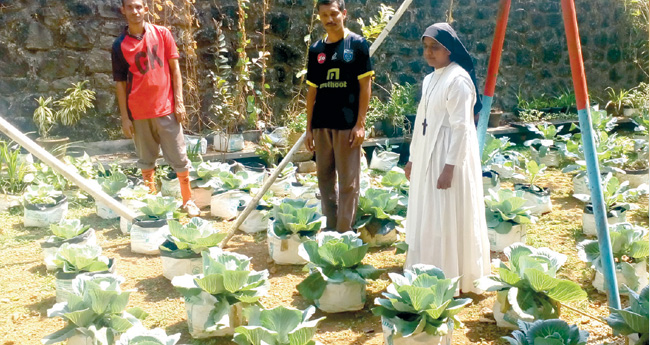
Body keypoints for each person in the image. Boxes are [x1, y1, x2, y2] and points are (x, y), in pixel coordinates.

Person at [404, 23, 489, 293]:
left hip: (448, 156)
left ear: (448, 49)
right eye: (426, 47)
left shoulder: (458, 79)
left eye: (435, 47)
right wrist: (412, 157)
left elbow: (463, 126)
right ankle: (427, 266)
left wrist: (450, 167)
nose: (429, 53)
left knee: (447, 211)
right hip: (427, 151)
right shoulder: (430, 78)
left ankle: (453, 273)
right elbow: (421, 122)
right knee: (428, 211)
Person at [111, 0, 199, 216]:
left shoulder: (162, 34)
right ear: (123, 10)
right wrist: (125, 118)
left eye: (139, 6)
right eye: (130, 7)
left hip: (166, 109)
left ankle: (188, 201)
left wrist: (179, 101)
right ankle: (152, 204)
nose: (135, 11)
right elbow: (120, 84)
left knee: (179, 158)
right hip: (139, 113)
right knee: (146, 160)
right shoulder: (119, 45)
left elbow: (175, 69)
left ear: (146, 9)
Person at [304, 0, 374, 232]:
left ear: (344, 14)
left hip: (347, 126)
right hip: (322, 126)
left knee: (348, 183)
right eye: (324, 15)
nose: (329, 19)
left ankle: (344, 233)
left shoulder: (358, 45)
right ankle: (330, 228)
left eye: (334, 14)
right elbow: (312, 91)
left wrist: (360, 125)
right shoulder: (316, 50)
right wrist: (308, 129)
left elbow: (366, 87)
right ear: (320, 18)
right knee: (324, 180)